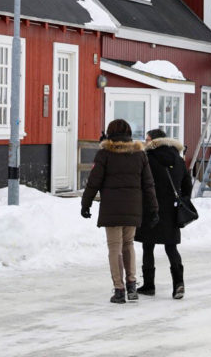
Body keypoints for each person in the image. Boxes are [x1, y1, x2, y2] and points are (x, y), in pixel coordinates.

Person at [81, 119, 158, 304]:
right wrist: (154, 208)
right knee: (129, 244)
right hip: (133, 207)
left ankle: (119, 289)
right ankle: (132, 285)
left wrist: (86, 203)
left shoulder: (105, 154)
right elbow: (148, 184)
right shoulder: (139, 154)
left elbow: (94, 181)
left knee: (114, 247)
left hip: (112, 208)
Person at [135, 128, 192, 300]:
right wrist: (181, 199)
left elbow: (141, 183)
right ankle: (178, 284)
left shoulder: (147, 158)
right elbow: (187, 185)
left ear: (153, 141)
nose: (145, 142)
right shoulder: (178, 158)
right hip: (171, 210)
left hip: (150, 209)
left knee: (147, 245)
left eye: (147, 139)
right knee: (171, 247)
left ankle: (149, 285)